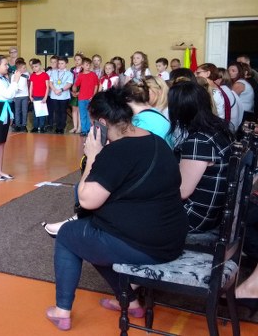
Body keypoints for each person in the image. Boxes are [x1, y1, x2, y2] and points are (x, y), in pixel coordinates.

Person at [46, 88, 187, 331]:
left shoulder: (116, 151)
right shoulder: (157, 142)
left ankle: (62, 311)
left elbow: (87, 200)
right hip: (171, 238)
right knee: (90, 237)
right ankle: (130, 302)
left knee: (68, 235)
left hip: (144, 245)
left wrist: (93, 156)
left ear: (101, 123)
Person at [169, 80, 234, 233]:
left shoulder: (199, 141)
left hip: (194, 216)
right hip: (213, 213)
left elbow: (182, 191)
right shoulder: (218, 129)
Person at [0, 55, 21, 181]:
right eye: (5, 64)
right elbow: (8, 94)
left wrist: (13, 83)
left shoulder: (3, 78)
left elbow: (11, 93)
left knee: (1, 142)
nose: (7, 66)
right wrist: (15, 81)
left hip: (4, 108)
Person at [74, 57, 99, 136]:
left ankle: (88, 130)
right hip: (81, 98)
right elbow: (76, 85)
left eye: (89, 65)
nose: (88, 66)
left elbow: (96, 85)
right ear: (82, 66)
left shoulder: (93, 74)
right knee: (82, 114)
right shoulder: (80, 75)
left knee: (89, 114)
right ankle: (83, 130)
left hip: (90, 98)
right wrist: (74, 91)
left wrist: (93, 95)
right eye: (86, 65)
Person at [48, 57, 73, 134]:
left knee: (63, 112)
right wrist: (55, 90)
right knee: (56, 111)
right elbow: (50, 83)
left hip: (64, 96)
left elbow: (69, 84)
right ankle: (57, 126)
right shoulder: (53, 72)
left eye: (62, 63)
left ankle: (61, 127)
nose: (60, 65)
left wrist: (61, 90)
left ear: (66, 64)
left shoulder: (69, 73)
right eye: (59, 63)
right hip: (54, 95)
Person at [29, 59, 49, 133]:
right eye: (33, 67)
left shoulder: (45, 75)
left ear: (40, 65)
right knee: (35, 112)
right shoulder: (32, 75)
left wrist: (45, 97)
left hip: (42, 96)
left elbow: (47, 87)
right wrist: (30, 96)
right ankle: (35, 126)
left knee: (42, 112)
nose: (34, 68)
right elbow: (31, 86)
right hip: (35, 96)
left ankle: (42, 126)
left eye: (36, 66)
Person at [12, 59, 29, 132]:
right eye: (23, 68)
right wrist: (16, 89)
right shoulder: (13, 75)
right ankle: (17, 125)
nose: (25, 69)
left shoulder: (26, 74)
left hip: (25, 95)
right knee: (17, 111)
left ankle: (24, 125)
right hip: (17, 96)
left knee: (24, 111)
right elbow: (13, 84)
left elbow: (29, 78)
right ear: (19, 68)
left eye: (25, 67)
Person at [69, 53, 83, 133]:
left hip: (81, 90)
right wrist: (71, 91)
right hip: (73, 90)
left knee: (80, 110)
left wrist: (80, 91)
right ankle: (75, 126)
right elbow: (69, 80)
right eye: (75, 59)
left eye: (79, 59)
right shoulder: (72, 70)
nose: (77, 61)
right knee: (74, 109)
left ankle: (80, 127)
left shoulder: (83, 70)